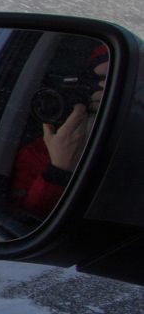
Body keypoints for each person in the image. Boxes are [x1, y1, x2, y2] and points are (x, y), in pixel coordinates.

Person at [10, 45, 108, 218]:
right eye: (101, 79)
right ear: (85, 86)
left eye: (121, 79)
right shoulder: (39, 152)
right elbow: (25, 220)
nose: (109, 88)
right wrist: (60, 169)